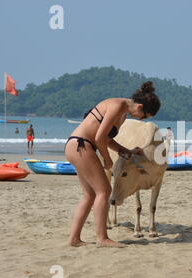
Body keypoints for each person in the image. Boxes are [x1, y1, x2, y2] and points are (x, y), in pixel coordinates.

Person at [64, 81, 161, 248]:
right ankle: (102, 238)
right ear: (139, 107)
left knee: (90, 195)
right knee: (105, 190)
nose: (141, 119)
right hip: (81, 145)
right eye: (144, 116)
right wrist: (107, 158)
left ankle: (74, 239)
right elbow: (99, 137)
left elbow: (108, 139)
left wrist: (128, 151)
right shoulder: (117, 105)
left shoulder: (122, 114)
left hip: (79, 146)